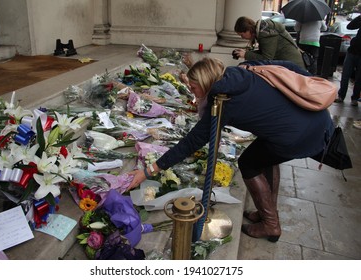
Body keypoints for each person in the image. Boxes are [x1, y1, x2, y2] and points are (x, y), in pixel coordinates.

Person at [128, 57, 335, 242]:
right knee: (266, 158)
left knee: (249, 163)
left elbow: (191, 142)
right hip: (316, 119)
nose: (192, 92)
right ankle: (267, 212)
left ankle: (271, 224)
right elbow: (288, 65)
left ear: (205, 83)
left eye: (193, 87)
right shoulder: (243, 70)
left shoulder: (223, 100)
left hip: (298, 135)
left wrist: (149, 170)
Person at [232, 16, 306, 70]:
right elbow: (266, 53)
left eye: (241, 34)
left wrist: (246, 54)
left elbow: (267, 59)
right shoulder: (264, 31)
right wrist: (246, 53)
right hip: (290, 65)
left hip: (293, 69)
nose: (242, 37)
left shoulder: (266, 33)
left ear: (248, 30)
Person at [334, 15, 361, 106]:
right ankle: (341, 96)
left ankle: (355, 98)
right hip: (352, 51)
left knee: (359, 78)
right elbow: (350, 26)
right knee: (345, 74)